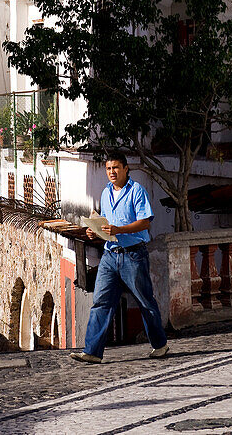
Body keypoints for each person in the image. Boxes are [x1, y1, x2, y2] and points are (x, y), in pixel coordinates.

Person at [71, 151, 169, 364]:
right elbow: (107, 224)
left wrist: (119, 229)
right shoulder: (105, 193)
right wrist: (95, 231)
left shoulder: (137, 191)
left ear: (125, 168)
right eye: (108, 168)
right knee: (101, 302)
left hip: (133, 255)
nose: (111, 172)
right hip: (109, 255)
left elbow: (145, 222)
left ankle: (160, 344)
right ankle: (92, 351)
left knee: (145, 301)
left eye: (115, 168)